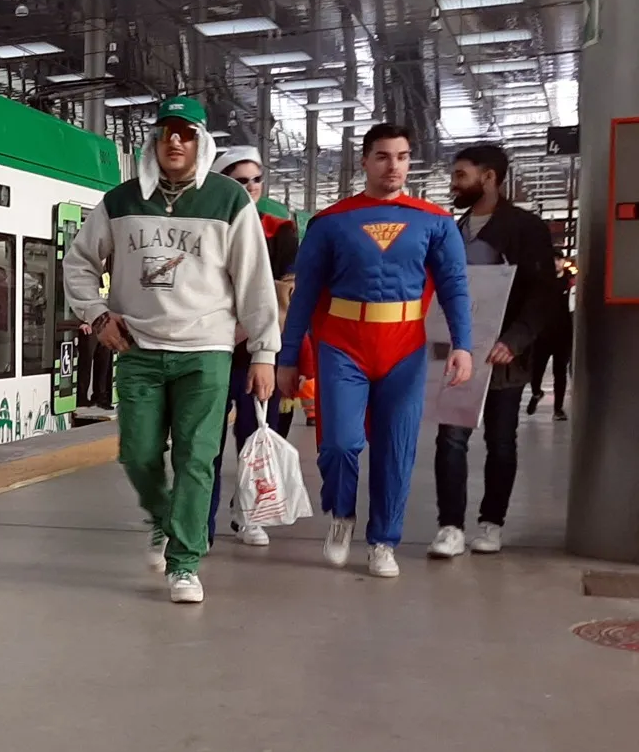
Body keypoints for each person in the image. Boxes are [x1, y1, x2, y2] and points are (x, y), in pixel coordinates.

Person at [64, 96, 282, 604]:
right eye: (167, 132)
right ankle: (164, 518)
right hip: (138, 348)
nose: (175, 141)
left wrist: (266, 353)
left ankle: (184, 563)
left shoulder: (229, 201)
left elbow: (255, 282)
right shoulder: (119, 202)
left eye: (185, 133)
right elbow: (78, 264)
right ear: (155, 141)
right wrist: (96, 316)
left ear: (201, 142)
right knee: (137, 453)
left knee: (196, 458)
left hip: (206, 352)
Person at [276, 123, 473, 579]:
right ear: (364, 161)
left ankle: (383, 540)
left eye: (402, 157)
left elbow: (455, 288)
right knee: (340, 443)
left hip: (404, 346)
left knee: (396, 448)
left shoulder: (435, 222)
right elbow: (303, 295)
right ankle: (341, 515)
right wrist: (288, 357)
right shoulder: (331, 222)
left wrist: (463, 345)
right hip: (343, 344)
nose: (394, 166)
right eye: (383, 156)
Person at [428, 146, 559, 558]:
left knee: (502, 439)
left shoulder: (524, 228)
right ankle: (449, 526)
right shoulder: (452, 229)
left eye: (461, 175)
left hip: (506, 354)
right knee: (450, 437)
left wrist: (516, 339)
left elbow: (544, 294)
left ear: (489, 178)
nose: (454, 183)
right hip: (457, 350)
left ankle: (492, 521)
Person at [205, 146, 301, 548]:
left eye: (256, 179)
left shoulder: (279, 228)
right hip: (208, 350)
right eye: (240, 180)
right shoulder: (205, 224)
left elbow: (282, 294)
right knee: (204, 441)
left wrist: (239, 332)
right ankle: (200, 521)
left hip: (256, 353)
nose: (250, 187)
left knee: (254, 435)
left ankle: (247, 513)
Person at [528, 254, 573, 419]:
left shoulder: (571, 282)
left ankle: (558, 409)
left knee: (560, 372)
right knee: (536, 370)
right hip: (542, 335)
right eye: (552, 259)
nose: (556, 262)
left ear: (564, 261)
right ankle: (536, 392)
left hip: (563, 336)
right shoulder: (542, 283)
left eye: (559, 259)